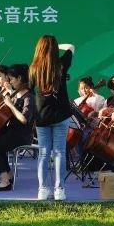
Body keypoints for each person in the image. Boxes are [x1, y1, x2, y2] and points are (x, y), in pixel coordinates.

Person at [30, 36, 76, 200]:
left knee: (43, 153)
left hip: (42, 116)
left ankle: (43, 189)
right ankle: (59, 190)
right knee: (59, 153)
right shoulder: (61, 64)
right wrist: (56, 46)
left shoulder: (33, 68)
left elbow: (29, 91)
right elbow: (71, 46)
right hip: (61, 114)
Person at [0, 64, 35, 192]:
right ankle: (7, 175)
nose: (9, 81)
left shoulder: (29, 97)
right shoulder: (16, 94)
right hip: (11, 130)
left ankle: (5, 180)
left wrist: (11, 105)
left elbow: (24, 119)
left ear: (19, 78)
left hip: (21, 135)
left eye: (11, 79)